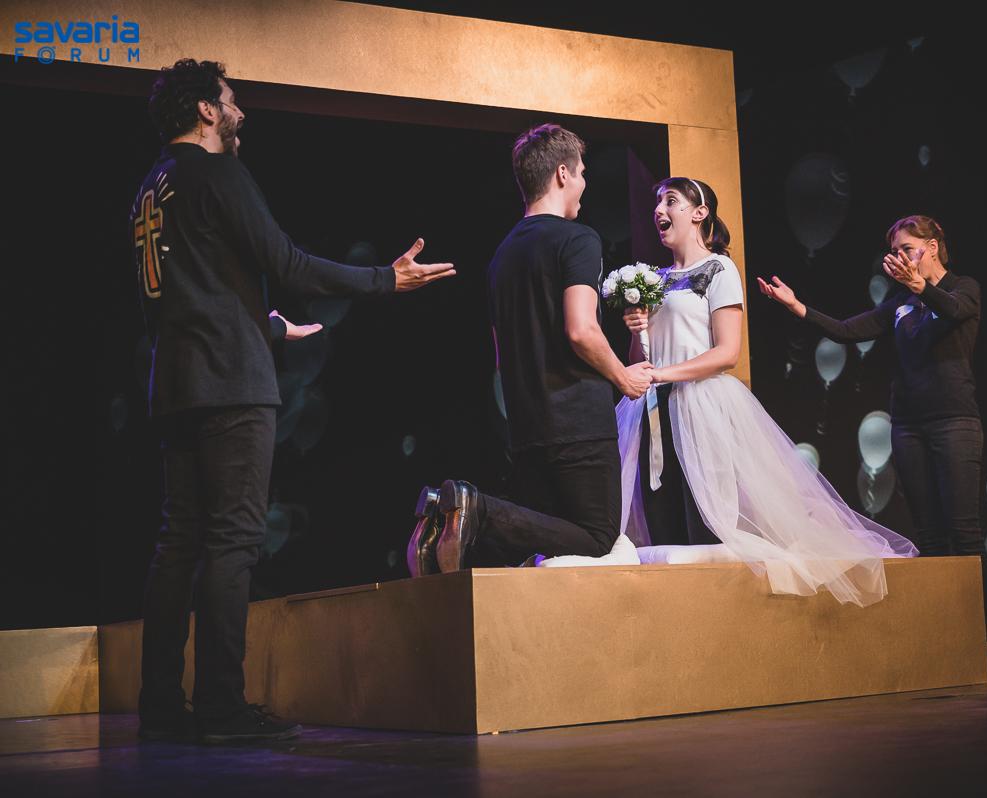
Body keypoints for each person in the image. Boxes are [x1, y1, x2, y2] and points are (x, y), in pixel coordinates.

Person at [132, 58, 455, 744]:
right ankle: (221, 708)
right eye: (231, 100)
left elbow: (188, 290)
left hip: (177, 384)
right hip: (230, 384)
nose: (240, 111)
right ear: (206, 110)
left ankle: (160, 706)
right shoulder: (218, 173)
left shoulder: (152, 188)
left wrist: (271, 328)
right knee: (232, 540)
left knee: (179, 541)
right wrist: (384, 280)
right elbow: (288, 264)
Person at [612, 178, 916, 606]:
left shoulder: (719, 269)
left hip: (700, 406)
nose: (659, 210)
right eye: (657, 203)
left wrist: (665, 375)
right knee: (662, 519)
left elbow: (727, 353)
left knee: (707, 520)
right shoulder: (654, 280)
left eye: (671, 201)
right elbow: (640, 358)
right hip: (655, 413)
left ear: (700, 213)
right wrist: (637, 332)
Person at [757, 214, 987, 673]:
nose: (900, 258)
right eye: (895, 252)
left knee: (965, 533)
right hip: (909, 426)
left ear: (932, 246)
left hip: (955, 422)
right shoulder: (900, 302)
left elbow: (953, 311)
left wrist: (920, 287)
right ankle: (948, 641)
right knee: (931, 536)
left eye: (908, 249)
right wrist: (798, 307)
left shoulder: (963, 288)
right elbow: (848, 330)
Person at [409, 124, 653, 574]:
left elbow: (501, 356)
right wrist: (624, 376)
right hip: (578, 422)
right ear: (562, 174)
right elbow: (581, 329)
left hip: (526, 426)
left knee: (549, 551)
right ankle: (478, 509)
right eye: (582, 173)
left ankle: (446, 514)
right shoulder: (578, 239)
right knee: (599, 540)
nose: (584, 184)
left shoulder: (501, 255)